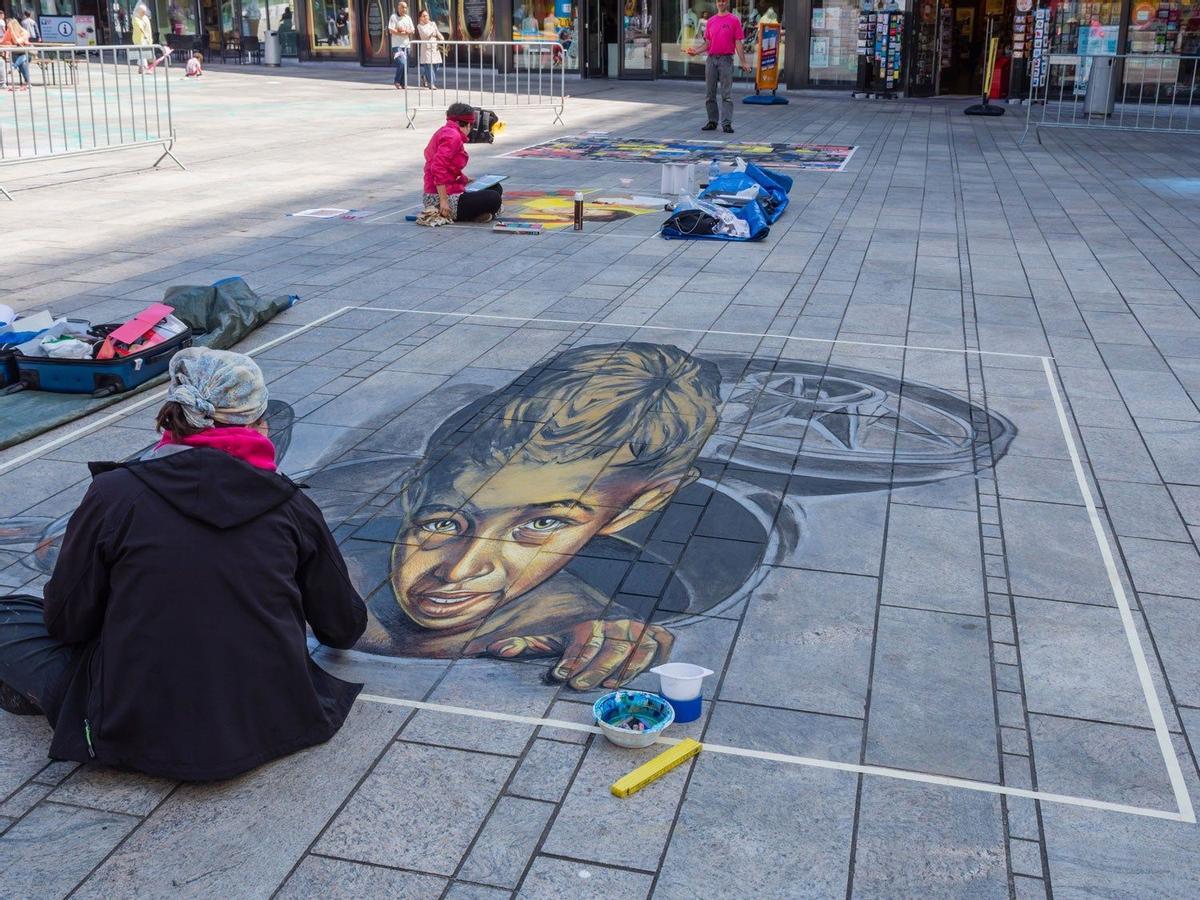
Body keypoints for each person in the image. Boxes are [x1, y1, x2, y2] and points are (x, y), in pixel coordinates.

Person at [0, 348, 367, 781]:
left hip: (133, 721)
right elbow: (343, 628)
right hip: (273, 713)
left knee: (12, 615)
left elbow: (67, 624)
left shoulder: (114, 494)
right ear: (257, 423)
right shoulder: (291, 504)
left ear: (173, 416)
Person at [357, 342, 722, 690]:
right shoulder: (341, 571)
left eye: (542, 524)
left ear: (638, 507)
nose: (459, 571)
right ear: (413, 490)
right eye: (444, 522)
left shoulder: (582, 621)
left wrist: (611, 632)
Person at [422, 103, 503, 224]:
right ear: (469, 124)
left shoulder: (445, 131)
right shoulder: (453, 136)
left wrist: (465, 179)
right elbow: (438, 167)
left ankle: (479, 213)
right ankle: (471, 213)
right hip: (440, 198)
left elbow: (450, 169)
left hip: (450, 190)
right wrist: (444, 201)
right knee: (494, 198)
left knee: (495, 187)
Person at [686, 0, 748, 133]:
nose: (721, 3)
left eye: (723, 1)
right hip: (711, 59)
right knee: (710, 93)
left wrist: (743, 61)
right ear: (716, 3)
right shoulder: (711, 21)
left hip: (726, 60)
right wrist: (695, 51)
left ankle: (726, 123)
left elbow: (738, 42)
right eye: (719, 1)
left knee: (726, 94)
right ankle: (712, 121)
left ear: (727, 2)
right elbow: (707, 43)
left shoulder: (734, 20)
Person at [0, 13, 32, 91]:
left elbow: (17, 41)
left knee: (23, 58)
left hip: (27, 54)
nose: (8, 28)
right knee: (22, 63)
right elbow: (2, 41)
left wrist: (12, 31)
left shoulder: (24, 32)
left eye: (10, 27)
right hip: (15, 56)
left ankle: (14, 66)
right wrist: (9, 32)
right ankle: (28, 83)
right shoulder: (9, 31)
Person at [387, 0, 413, 89]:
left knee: (406, 65)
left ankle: (403, 83)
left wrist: (406, 31)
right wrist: (400, 32)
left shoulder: (408, 18)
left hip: (406, 45)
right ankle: (397, 81)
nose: (404, 9)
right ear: (398, 7)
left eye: (405, 7)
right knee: (402, 63)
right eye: (402, 7)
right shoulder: (393, 17)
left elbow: (412, 30)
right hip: (397, 45)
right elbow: (391, 30)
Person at [415, 8, 442, 88]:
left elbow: (437, 32)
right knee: (429, 66)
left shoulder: (433, 23)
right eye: (424, 16)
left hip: (435, 46)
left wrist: (441, 37)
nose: (426, 17)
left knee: (436, 65)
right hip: (426, 47)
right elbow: (425, 35)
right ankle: (432, 84)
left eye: (427, 15)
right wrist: (432, 31)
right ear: (420, 18)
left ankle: (424, 77)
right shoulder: (419, 26)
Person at [131, 3, 153, 73]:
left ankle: (141, 68)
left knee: (143, 53)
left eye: (144, 12)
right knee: (141, 53)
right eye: (142, 12)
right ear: (139, 11)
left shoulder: (145, 18)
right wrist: (144, 34)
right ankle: (145, 67)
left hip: (146, 38)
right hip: (139, 39)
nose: (144, 13)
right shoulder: (136, 18)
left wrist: (149, 37)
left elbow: (148, 28)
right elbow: (139, 27)